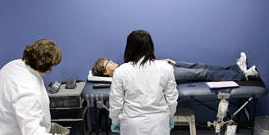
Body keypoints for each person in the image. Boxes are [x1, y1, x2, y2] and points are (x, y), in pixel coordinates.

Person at [108, 30, 179, 135]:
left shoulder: (121, 71)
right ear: (150, 46)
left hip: (132, 122)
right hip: (159, 120)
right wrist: (171, 115)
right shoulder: (166, 68)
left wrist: (115, 120)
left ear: (129, 48)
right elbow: (172, 98)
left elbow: (116, 102)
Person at [92, 53, 258, 83]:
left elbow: (145, 66)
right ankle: (243, 76)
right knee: (203, 72)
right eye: (108, 63)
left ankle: (237, 69)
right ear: (106, 73)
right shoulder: (120, 77)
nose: (112, 61)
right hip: (166, 77)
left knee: (201, 65)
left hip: (163, 68)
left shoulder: (124, 68)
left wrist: (162, 61)